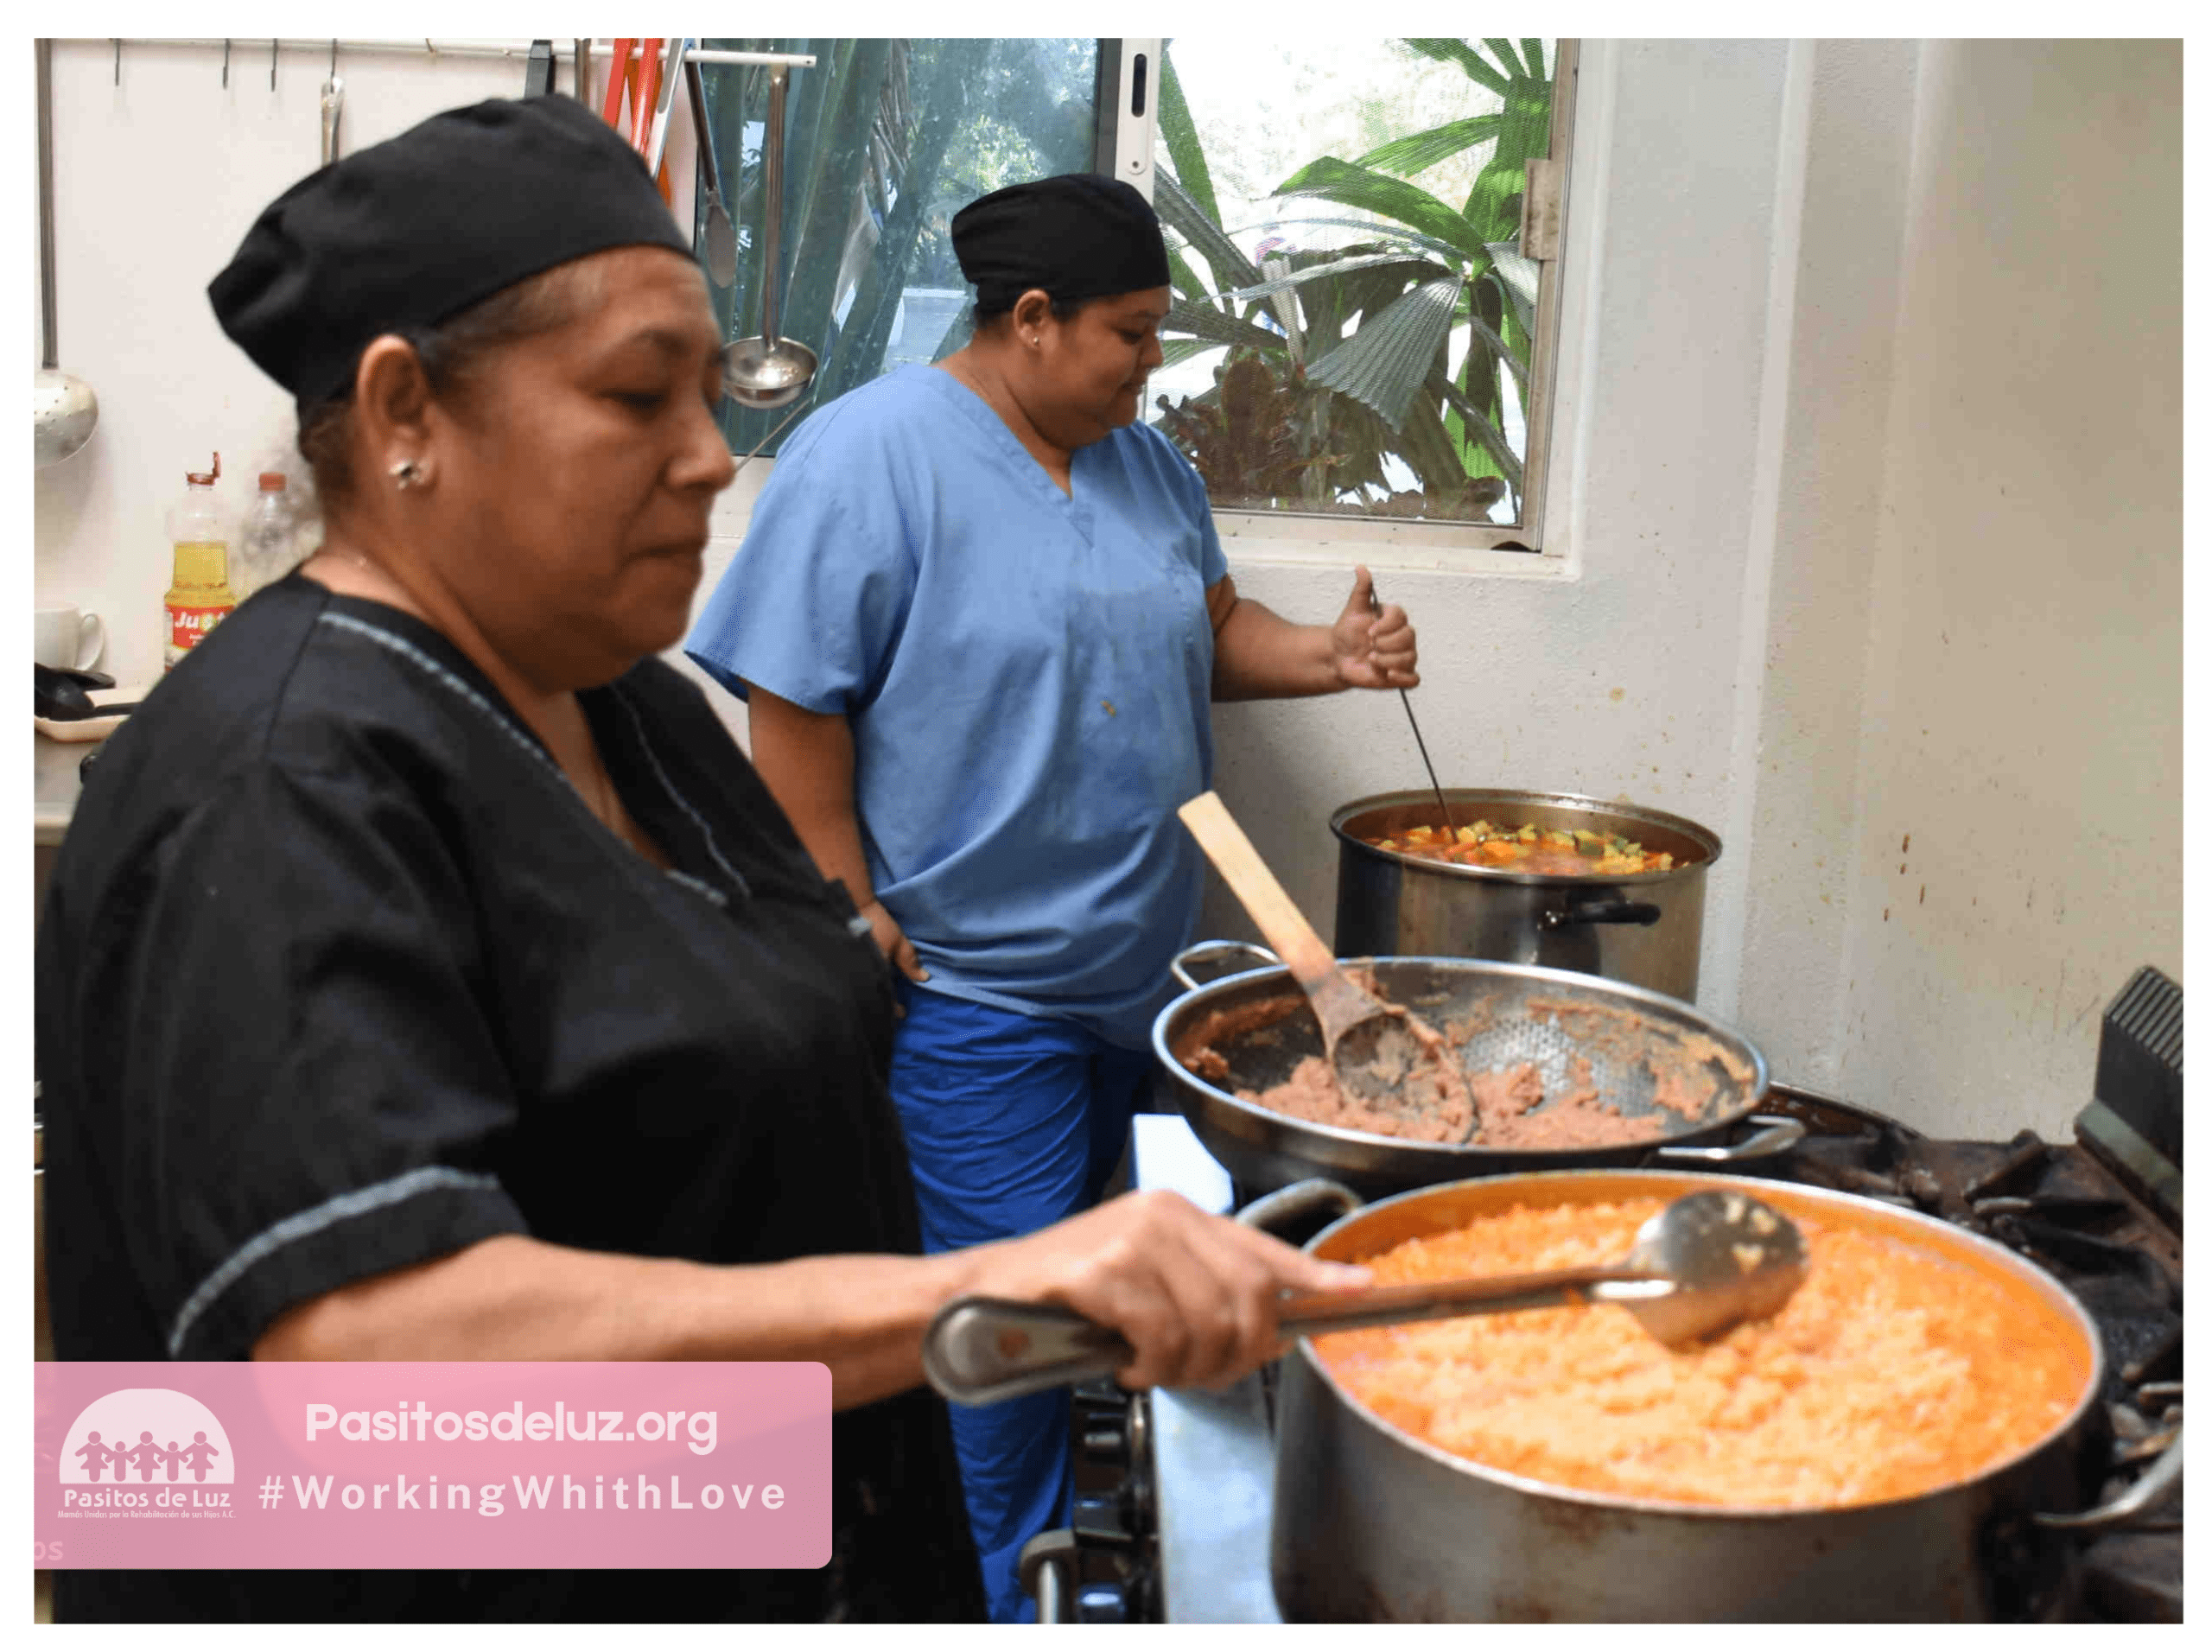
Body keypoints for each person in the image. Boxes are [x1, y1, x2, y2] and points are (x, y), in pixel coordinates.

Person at [35, 98, 1366, 1626]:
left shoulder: (628, 709)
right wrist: (983, 1288)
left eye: (710, 395)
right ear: (406, 415)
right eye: (636, 396)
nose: (710, 461)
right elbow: (363, 1360)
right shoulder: (282, 781)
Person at [683, 172, 1421, 1620]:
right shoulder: (872, 455)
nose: (1154, 362)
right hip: (975, 999)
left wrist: (1328, 657)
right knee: (1006, 1345)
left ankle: (1081, 1577)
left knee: (1118, 1327)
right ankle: (991, 1607)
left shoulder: (1146, 466)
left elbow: (1207, 630)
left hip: (1143, 995)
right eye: (1132, 333)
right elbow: (795, 698)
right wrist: (843, 898)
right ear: (1031, 319)